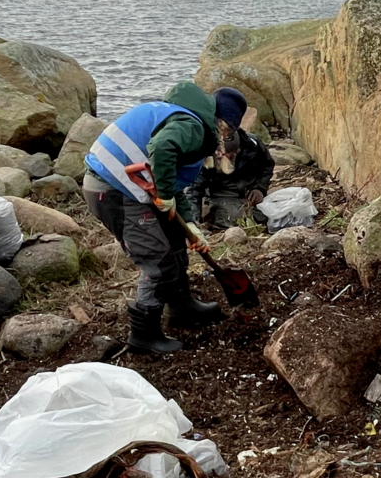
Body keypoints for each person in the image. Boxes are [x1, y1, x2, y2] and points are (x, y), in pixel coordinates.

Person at [82, 81, 226, 354]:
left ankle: (182, 308)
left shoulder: (175, 117)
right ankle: (143, 335)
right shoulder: (192, 126)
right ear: (218, 122)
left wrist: (192, 226)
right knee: (156, 261)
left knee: (175, 239)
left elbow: (172, 186)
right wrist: (165, 192)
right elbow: (161, 148)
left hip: (121, 186)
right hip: (114, 192)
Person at [184, 87, 276, 230]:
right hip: (222, 197)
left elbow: (267, 165)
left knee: (277, 212)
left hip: (249, 195)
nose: (223, 156)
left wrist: (260, 188)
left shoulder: (253, 144)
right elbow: (194, 190)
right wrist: (192, 223)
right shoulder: (205, 152)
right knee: (237, 217)